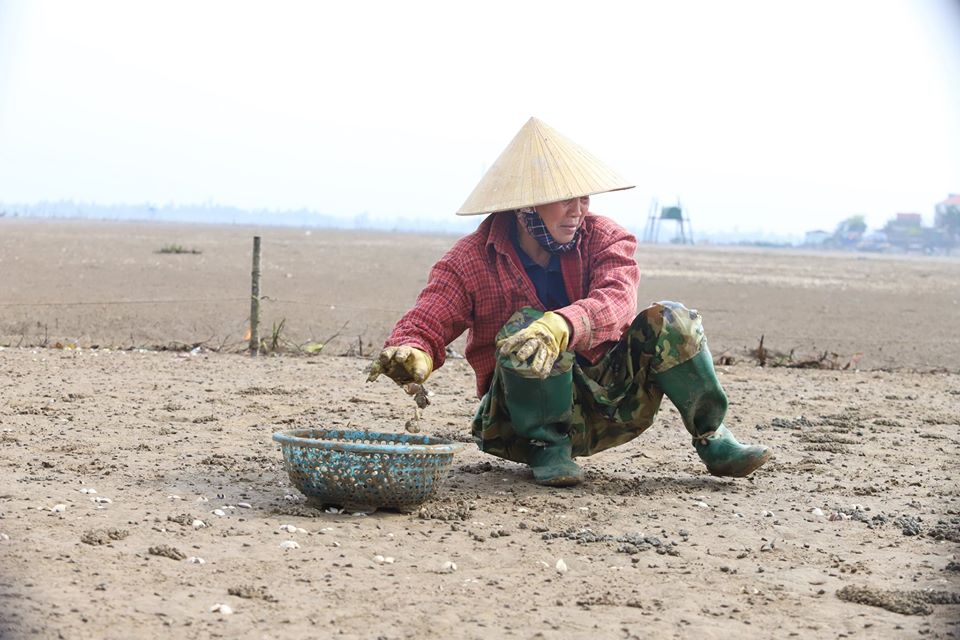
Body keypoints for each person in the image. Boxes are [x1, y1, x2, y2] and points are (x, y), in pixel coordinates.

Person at [368, 117, 771, 487]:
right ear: (525, 205)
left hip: (607, 403)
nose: (578, 211)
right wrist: (413, 351)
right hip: (516, 422)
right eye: (564, 199)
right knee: (528, 326)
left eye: (584, 199)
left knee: (673, 319)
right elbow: (429, 316)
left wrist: (563, 325)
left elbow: (617, 300)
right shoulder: (471, 259)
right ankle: (548, 448)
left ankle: (712, 437)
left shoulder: (606, 239)